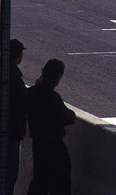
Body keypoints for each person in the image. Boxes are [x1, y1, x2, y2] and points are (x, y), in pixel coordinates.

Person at [25, 59, 77, 195]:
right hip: (54, 146)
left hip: (38, 144)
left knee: (39, 181)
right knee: (61, 183)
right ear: (58, 78)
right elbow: (69, 118)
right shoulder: (53, 98)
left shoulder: (32, 94)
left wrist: (36, 86)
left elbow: (27, 98)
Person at [0, 39, 27, 195]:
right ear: (18, 56)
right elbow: (20, 107)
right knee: (9, 176)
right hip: (11, 136)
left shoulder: (1, 74)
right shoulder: (14, 80)